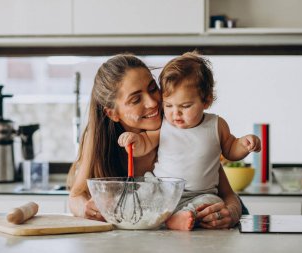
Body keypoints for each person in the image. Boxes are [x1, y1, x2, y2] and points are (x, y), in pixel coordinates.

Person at [67, 53, 244, 229]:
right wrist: (86, 209)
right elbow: (75, 197)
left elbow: (228, 195)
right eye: (136, 99)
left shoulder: (181, 130)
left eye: (153, 89)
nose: (152, 103)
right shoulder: (100, 142)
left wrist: (231, 213)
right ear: (112, 113)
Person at [117, 51, 261, 231]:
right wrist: (134, 140)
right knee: (144, 192)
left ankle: (177, 219)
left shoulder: (216, 125)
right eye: (168, 105)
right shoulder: (164, 125)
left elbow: (231, 150)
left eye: (185, 106)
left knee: (211, 203)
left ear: (206, 100)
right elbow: (144, 143)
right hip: (163, 189)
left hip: (200, 194)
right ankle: (156, 216)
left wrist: (245, 144)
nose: (175, 113)